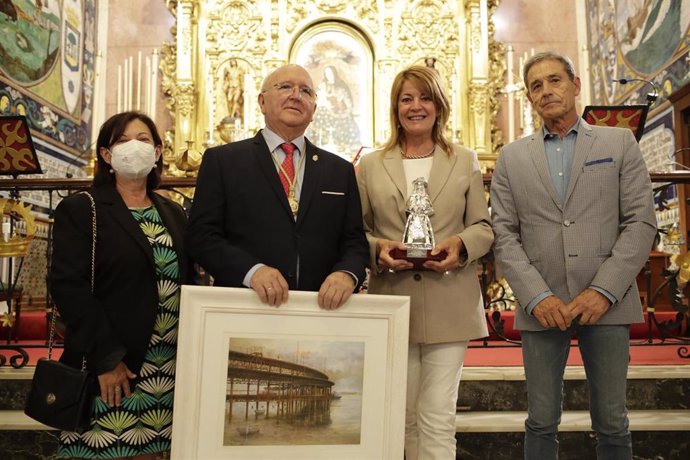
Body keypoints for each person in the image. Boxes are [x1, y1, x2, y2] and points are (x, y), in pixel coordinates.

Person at [490, 51, 657, 459]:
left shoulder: (617, 143)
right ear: (530, 98)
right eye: (536, 86)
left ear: (576, 84)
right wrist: (536, 296)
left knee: (612, 420)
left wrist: (603, 290)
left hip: (608, 302)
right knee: (541, 420)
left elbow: (641, 223)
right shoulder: (512, 157)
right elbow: (503, 233)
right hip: (541, 304)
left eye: (554, 80)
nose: (546, 91)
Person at [356, 65, 493, 459]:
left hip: (451, 301)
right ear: (395, 108)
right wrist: (377, 249)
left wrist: (460, 246)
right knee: (402, 417)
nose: (416, 106)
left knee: (436, 414)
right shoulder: (371, 164)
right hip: (393, 303)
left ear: (439, 105)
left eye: (425, 97)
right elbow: (356, 231)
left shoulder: (464, 159)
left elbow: (483, 227)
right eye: (406, 98)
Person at [49, 111, 191, 459]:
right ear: (106, 154)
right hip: (114, 363)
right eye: (123, 140)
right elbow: (69, 287)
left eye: (144, 140)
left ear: (158, 152)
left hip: (170, 365)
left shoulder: (173, 212)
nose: (135, 147)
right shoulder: (83, 208)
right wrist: (107, 358)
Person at [186, 64, 368, 310]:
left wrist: (347, 273)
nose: (296, 95)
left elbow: (354, 241)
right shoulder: (224, 161)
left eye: (306, 91)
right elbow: (202, 237)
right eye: (285, 87)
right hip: (246, 306)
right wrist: (252, 271)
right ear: (262, 102)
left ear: (314, 109)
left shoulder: (339, 170)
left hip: (321, 311)